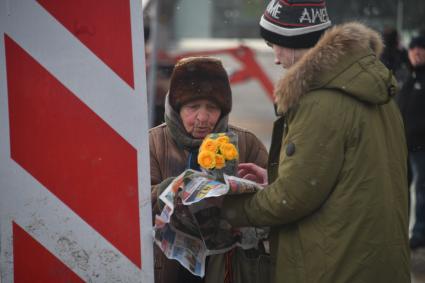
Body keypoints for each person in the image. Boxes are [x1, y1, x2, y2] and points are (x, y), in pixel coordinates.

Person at [220, 1, 411, 282]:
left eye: (275, 45)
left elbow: (294, 197)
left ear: (295, 42)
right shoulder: (376, 91)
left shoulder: (319, 103)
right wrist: (277, 179)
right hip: (377, 262)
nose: (274, 58)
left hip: (335, 267)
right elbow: (346, 178)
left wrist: (226, 209)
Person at [149, 56, 269, 283]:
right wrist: (169, 190)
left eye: (212, 108)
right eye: (193, 107)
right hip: (167, 270)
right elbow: (133, 205)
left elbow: (276, 203)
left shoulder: (246, 143)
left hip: (227, 269)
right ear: (177, 107)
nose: (202, 118)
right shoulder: (153, 143)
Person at [397, 35, 425, 250]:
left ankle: (419, 234)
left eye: (421, 48)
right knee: (399, 189)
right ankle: (400, 230)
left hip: (421, 146)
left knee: (421, 191)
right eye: (413, 48)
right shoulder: (405, 76)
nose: (416, 52)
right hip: (402, 144)